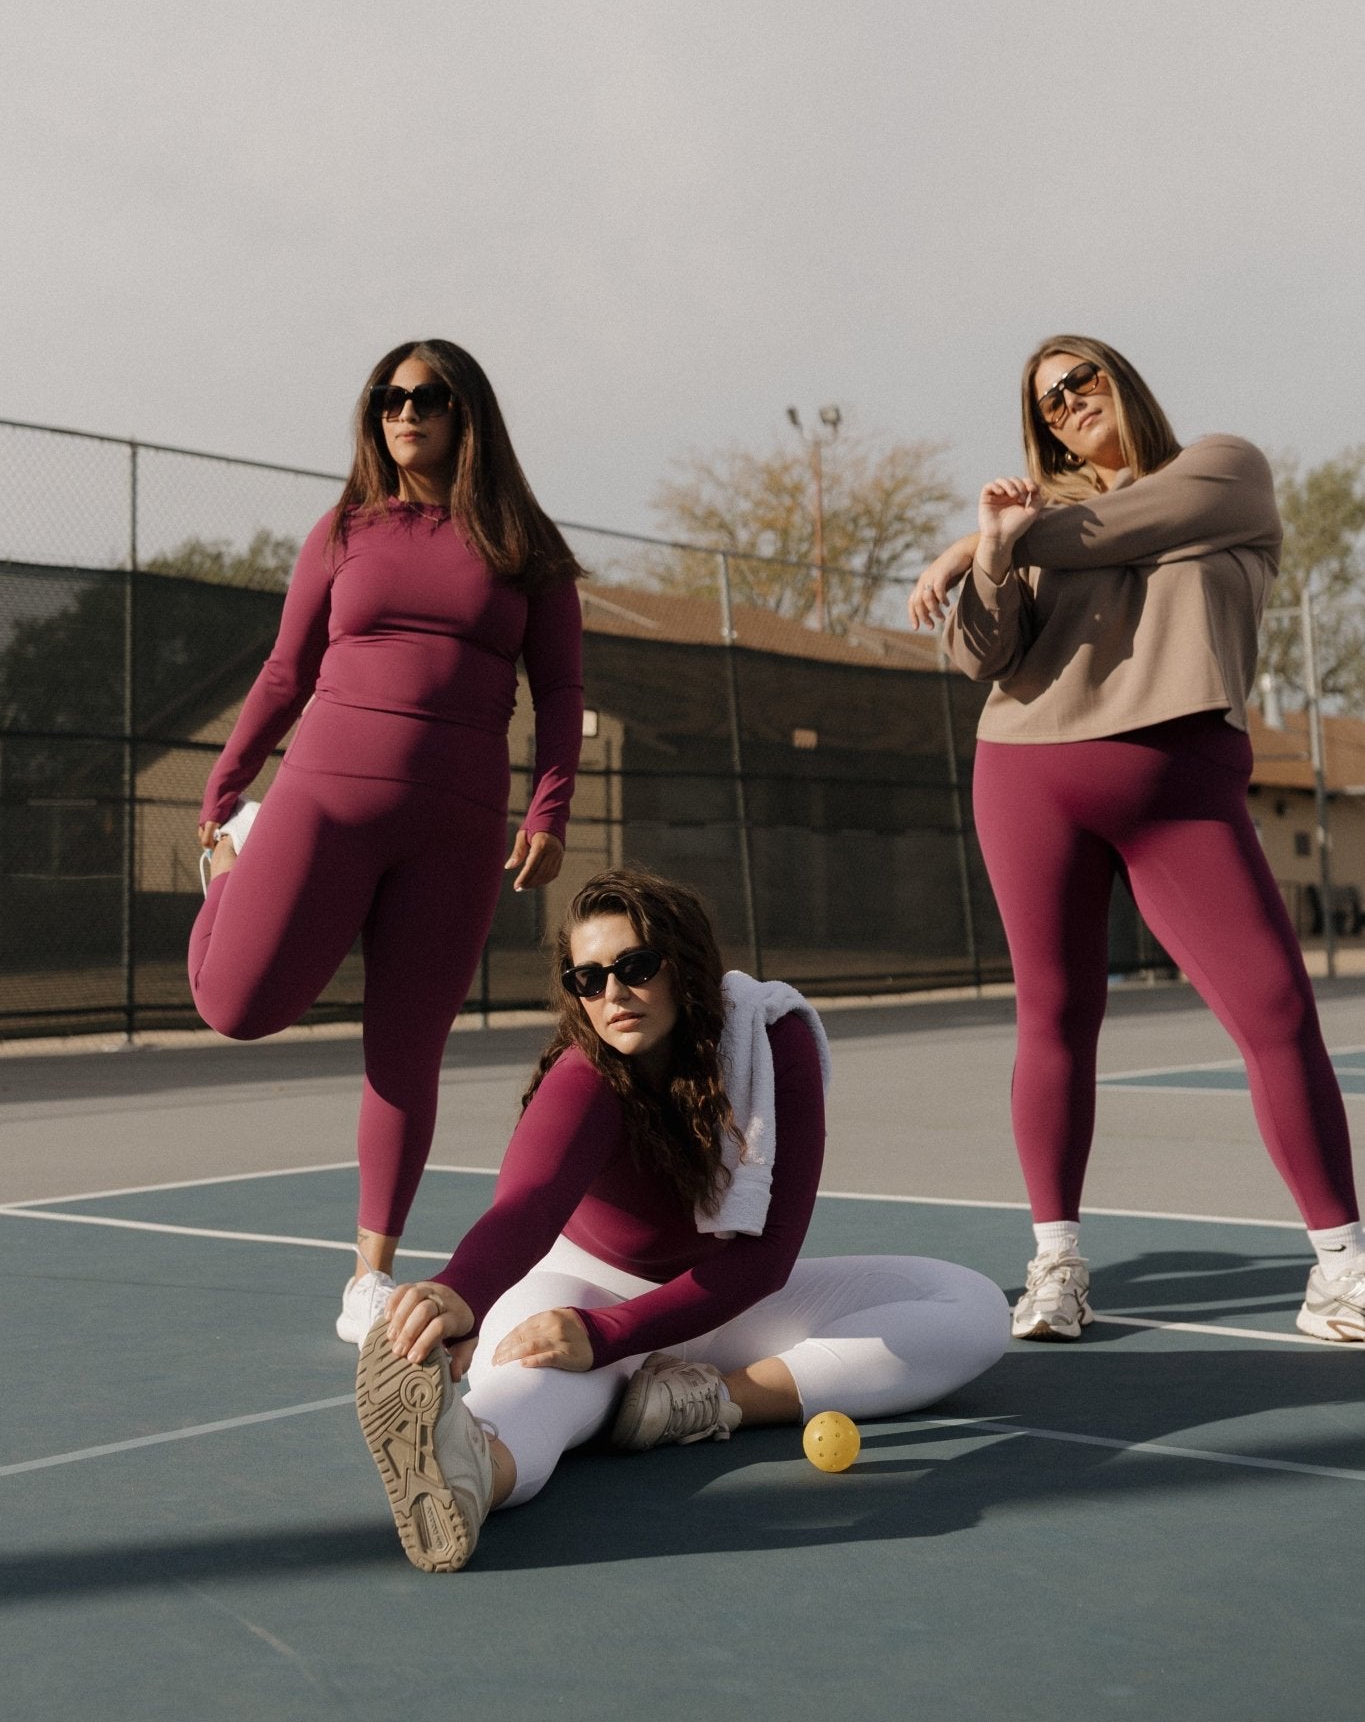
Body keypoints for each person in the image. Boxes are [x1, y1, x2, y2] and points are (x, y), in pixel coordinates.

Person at [353, 868, 1009, 1574]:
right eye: (588, 979)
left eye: (635, 967)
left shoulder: (770, 1044)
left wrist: (612, 1337)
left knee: (971, 1306)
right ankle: (471, 1473)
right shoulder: (584, 1076)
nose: (612, 995)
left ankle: (703, 1401)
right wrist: (462, 1292)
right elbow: (527, 1205)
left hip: (727, 1303)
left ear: (684, 963)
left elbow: (768, 1258)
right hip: (582, 1293)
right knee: (530, 1385)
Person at [907, 334, 1364, 1346]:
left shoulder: (1222, 471)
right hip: (1026, 777)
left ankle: (1341, 1270)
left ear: (1122, 380)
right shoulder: (1034, 527)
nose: (1070, 401)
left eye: (1083, 378)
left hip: (1181, 790)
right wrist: (991, 556)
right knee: (1056, 1015)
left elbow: (1115, 527)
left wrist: (983, 541)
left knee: (1276, 1008)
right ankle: (1056, 1267)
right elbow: (980, 653)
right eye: (1049, 400)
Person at [189, 339, 583, 1345]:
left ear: (466, 413)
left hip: (455, 828)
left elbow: (561, 690)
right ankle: (227, 873)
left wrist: (549, 810)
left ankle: (370, 1274)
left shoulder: (524, 543)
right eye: (388, 397)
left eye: (427, 396)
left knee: (407, 1049)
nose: (404, 411)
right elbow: (285, 671)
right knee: (235, 1006)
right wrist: (228, 781)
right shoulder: (343, 531)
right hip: (320, 803)